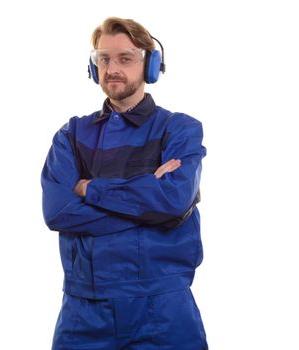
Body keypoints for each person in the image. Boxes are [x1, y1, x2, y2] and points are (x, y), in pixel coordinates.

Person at [41, 17, 208, 349]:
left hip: (162, 308)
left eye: (125, 58)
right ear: (93, 66)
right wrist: (148, 194)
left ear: (150, 65)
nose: (112, 68)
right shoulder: (71, 135)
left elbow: (173, 201)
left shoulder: (179, 130)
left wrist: (91, 189)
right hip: (84, 310)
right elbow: (58, 212)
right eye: (104, 59)